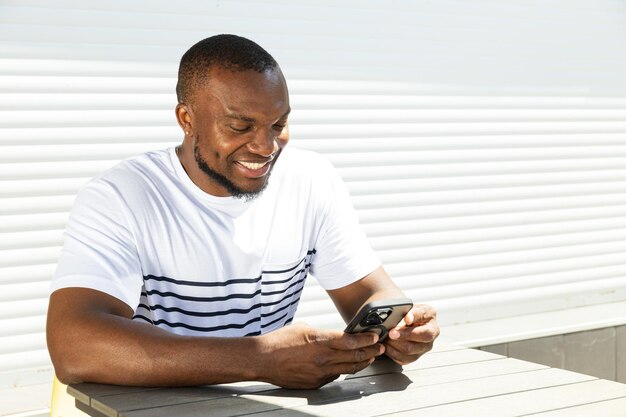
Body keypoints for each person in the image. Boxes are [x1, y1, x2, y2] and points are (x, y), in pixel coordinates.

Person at [46, 34, 440, 389]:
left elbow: (371, 293)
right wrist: (261, 360)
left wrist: (401, 329)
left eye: (278, 124)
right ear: (187, 119)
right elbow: (74, 345)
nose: (266, 146)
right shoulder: (121, 196)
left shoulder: (311, 179)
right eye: (240, 126)